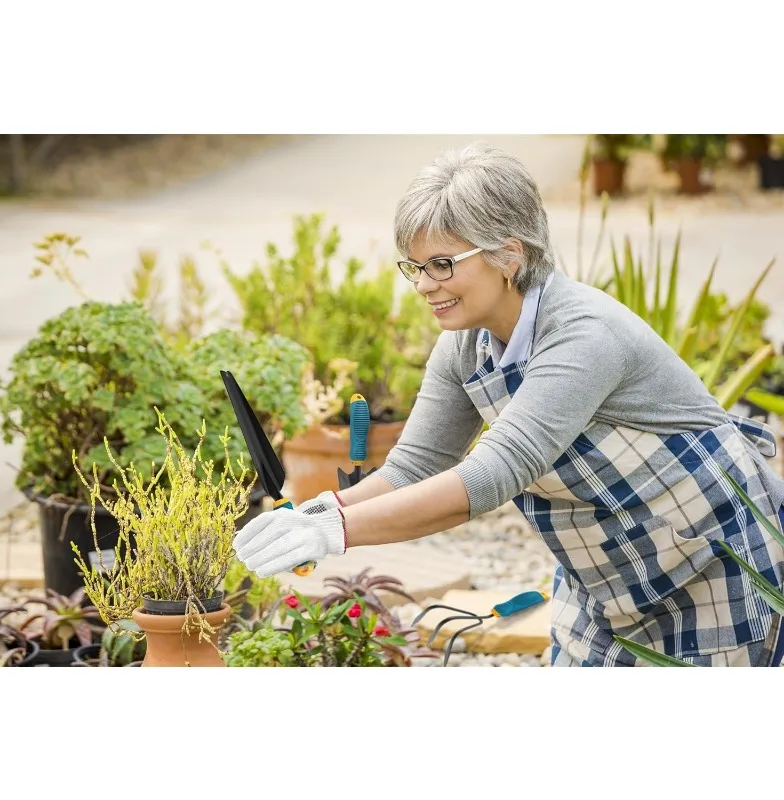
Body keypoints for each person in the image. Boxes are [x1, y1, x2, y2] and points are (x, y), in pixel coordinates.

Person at [233, 142, 784, 667]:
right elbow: (412, 468)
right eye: (414, 266)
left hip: (714, 564)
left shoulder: (583, 336)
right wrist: (322, 513)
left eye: (442, 264)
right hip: (606, 578)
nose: (424, 285)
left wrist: (336, 533)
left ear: (508, 253)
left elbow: (490, 476)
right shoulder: (464, 347)